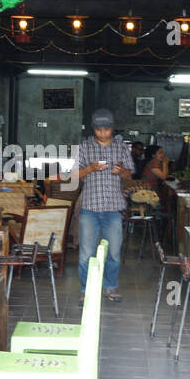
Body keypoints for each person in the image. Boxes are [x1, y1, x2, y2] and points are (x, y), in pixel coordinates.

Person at [70, 109, 133, 302]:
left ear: (112, 128)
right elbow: (73, 175)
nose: (103, 133)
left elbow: (129, 175)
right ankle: (86, 289)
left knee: (114, 251)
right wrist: (90, 168)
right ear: (93, 129)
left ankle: (111, 287)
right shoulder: (83, 147)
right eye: (99, 130)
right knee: (86, 253)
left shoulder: (121, 147)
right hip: (90, 208)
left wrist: (121, 171)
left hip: (113, 208)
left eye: (106, 129)